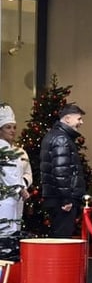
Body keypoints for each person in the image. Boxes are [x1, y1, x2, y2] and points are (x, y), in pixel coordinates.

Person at [39, 102, 86, 237]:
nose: (81, 122)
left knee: (58, 235)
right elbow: (61, 171)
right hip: (63, 200)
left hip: (55, 197)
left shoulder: (56, 136)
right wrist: (66, 199)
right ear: (67, 119)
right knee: (62, 237)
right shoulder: (61, 139)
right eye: (78, 119)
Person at [0, 105, 32, 258]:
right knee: (4, 229)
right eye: (8, 127)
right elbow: (7, 173)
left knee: (15, 227)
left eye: (14, 127)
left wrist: (23, 185)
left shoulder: (20, 152)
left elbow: (27, 172)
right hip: (4, 198)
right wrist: (19, 188)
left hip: (17, 199)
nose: (12, 130)